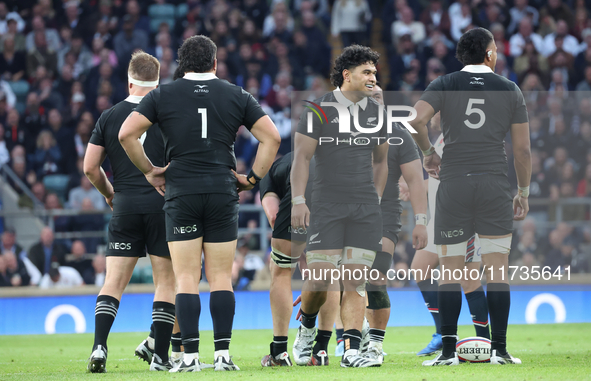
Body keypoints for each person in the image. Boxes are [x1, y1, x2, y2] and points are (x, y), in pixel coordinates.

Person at [119, 35, 280, 372]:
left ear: (182, 64)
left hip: (181, 193)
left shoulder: (163, 94)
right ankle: (222, 355)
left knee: (187, 277)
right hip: (223, 191)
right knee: (221, 276)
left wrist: (149, 171)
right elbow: (272, 137)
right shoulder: (236, 94)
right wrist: (250, 179)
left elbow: (126, 135)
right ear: (215, 63)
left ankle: (189, 357)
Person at [409, 27, 531, 366]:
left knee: (449, 271)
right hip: (493, 184)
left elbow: (416, 120)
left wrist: (429, 153)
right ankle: (501, 350)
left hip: (454, 184)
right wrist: (522, 192)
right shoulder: (509, 89)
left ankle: (448, 352)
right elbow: (521, 150)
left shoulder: (444, 84)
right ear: (489, 54)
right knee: (496, 271)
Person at [291, 44, 388, 368]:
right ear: (347, 75)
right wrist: (299, 200)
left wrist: (374, 196)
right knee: (319, 280)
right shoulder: (318, 109)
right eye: (367, 72)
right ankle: (305, 326)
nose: (373, 77)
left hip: (364, 208)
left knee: (355, 280)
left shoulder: (376, 112)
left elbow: (381, 160)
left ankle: (350, 350)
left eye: (375, 72)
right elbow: (302, 158)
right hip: (327, 205)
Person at [84, 51, 177, 373]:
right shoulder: (168, 115)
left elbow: (90, 168)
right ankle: (160, 357)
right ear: (158, 81)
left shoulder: (109, 116)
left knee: (113, 282)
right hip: (162, 207)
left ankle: (98, 347)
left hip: (124, 206)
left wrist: (109, 194)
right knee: (166, 282)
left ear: (129, 81)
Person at [361, 84, 428, 365]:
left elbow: (415, 180)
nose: (374, 99)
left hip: (384, 215)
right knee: (348, 283)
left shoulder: (398, 134)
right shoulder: (339, 132)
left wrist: (421, 221)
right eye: (368, 95)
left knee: (375, 280)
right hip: (343, 214)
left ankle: (374, 346)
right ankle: (356, 338)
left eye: (378, 95)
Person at [411, 132, 491, 357]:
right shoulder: (441, 137)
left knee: (468, 279)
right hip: (438, 219)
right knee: (420, 269)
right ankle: (441, 334)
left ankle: (484, 340)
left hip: (463, 217)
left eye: (436, 107)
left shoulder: (463, 135)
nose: (433, 112)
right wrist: (415, 186)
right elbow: (439, 176)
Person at [259, 152, 340, 366]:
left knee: (281, 270)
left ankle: (278, 352)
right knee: (328, 273)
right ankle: (320, 349)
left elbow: (275, 218)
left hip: (301, 190)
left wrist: (297, 257)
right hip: (339, 187)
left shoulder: (269, 174)